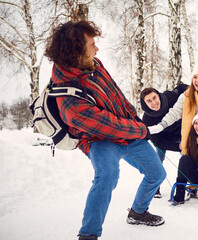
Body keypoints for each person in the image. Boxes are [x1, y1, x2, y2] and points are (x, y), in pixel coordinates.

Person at [44, 21, 166, 240]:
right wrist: (139, 130)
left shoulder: (94, 63)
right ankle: (88, 235)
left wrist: (133, 116)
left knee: (157, 174)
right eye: (92, 44)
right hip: (99, 140)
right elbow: (109, 126)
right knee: (107, 176)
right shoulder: (68, 98)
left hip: (128, 128)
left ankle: (138, 213)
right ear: (76, 52)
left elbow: (116, 93)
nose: (96, 48)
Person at [147, 64, 198, 197]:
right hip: (193, 131)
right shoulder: (187, 95)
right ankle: (193, 185)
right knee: (190, 156)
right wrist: (162, 125)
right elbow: (175, 112)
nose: (197, 80)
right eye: (195, 77)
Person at [140, 84, 188, 198]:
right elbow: (158, 142)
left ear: (159, 95)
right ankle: (155, 186)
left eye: (154, 98)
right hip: (163, 139)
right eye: (149, 101)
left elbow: (181, 87)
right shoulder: (147, 120)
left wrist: (191, 96)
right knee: (157, 157)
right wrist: (177, 147)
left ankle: (184, 187)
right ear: (145, 104)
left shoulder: (169, 97)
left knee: (186, 157)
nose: (154, 103)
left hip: (181, 132)